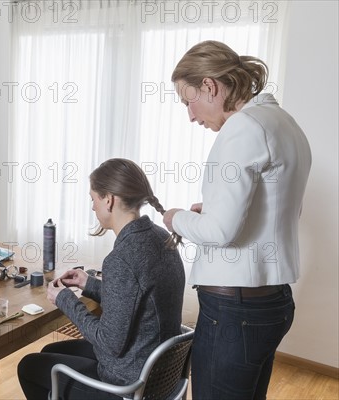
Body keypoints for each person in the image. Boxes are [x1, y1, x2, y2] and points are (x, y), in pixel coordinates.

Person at [163, 40, 312, 400]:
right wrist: (211, 210)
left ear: (210, 87)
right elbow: (279, 208)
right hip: (270, 302)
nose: (191, 116)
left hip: (235, 311)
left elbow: (219, 232)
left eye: (189, 101)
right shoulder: (283, 122)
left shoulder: (242, 128)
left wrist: (176, 218)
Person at [17, 158, 186, 400]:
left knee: (29, 367)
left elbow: (109, 344)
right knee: (50, 350)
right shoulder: (161, 238)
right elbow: (137, 299)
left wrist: (65, 299)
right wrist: (90, 284)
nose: (93, 207)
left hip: (127, 383)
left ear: (109, 200)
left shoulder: (121, 259)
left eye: (93, 199)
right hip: (158, 371)